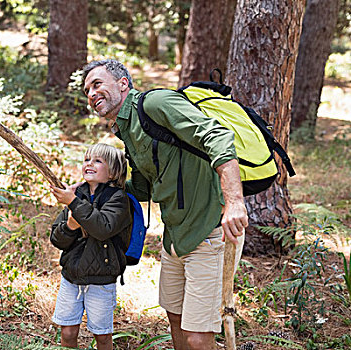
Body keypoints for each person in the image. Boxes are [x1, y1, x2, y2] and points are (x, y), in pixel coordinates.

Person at [81, 59, 248, 350]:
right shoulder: (127, 129)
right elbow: (143, 188)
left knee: (198, 336)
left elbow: (218, 135)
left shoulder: (156, 103)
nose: (91, 94)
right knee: (175, 318)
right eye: (86, 91)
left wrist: (234, 201)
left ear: (123, 84)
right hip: (175, 237)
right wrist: (94, 190)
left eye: (97, 84)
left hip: (208, 230)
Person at [50, 143, 132, 350]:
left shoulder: (118, 199)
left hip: (101, 279)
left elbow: (103, 228)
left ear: (113, 171)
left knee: (102, 336)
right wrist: (70, 225)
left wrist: (74, 203)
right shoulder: (77, 194)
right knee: (68, 331)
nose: (89, 164)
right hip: (71, 277)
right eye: (87, 159)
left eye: (98, 161)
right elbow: (57, 240)